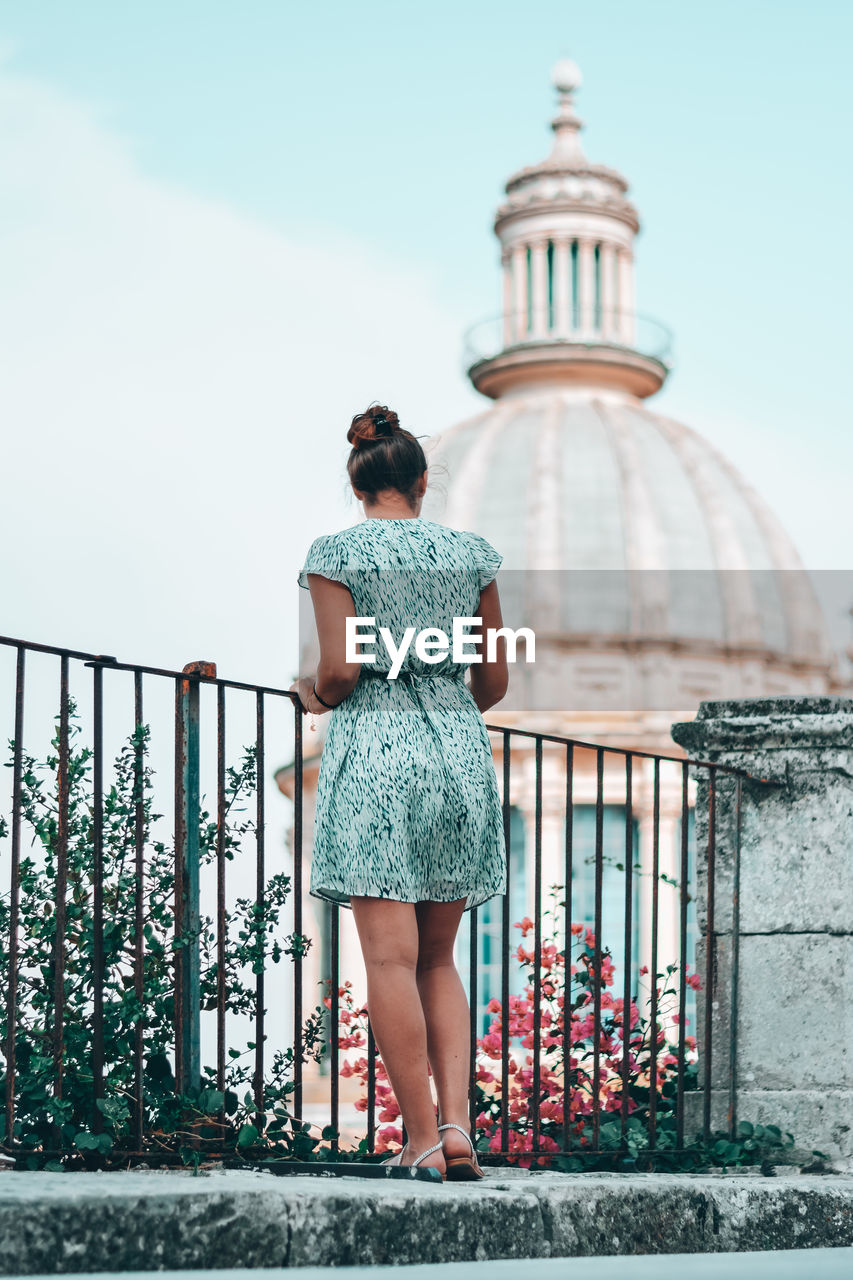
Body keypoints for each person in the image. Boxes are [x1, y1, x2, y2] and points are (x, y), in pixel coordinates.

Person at [290, 403, 508, 1181]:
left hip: (377, 757)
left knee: (388, 961)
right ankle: (456, 1129)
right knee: (439, 961)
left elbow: (340, 672)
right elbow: (493, 680)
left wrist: (313, 696)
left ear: (359, 486)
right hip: (456, 756)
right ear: (421, 481)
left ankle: (417, 1138)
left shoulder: (336, 553)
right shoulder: (471, 554)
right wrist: (441, 702)